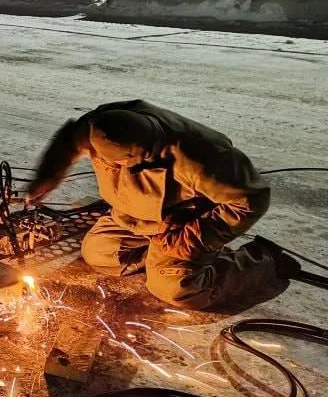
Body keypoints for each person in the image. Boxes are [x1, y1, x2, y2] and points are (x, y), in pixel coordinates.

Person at [26, 100, 294, 309]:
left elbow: (250, 200)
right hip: (134, 216)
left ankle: (263, 262)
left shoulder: (197, 155)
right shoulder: (100, 126)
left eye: (127, 164)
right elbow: (68, 143)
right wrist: (47, 177)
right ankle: (161, 258)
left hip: (183, 223)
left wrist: (193, 240)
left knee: (179, 291)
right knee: (98, 254)